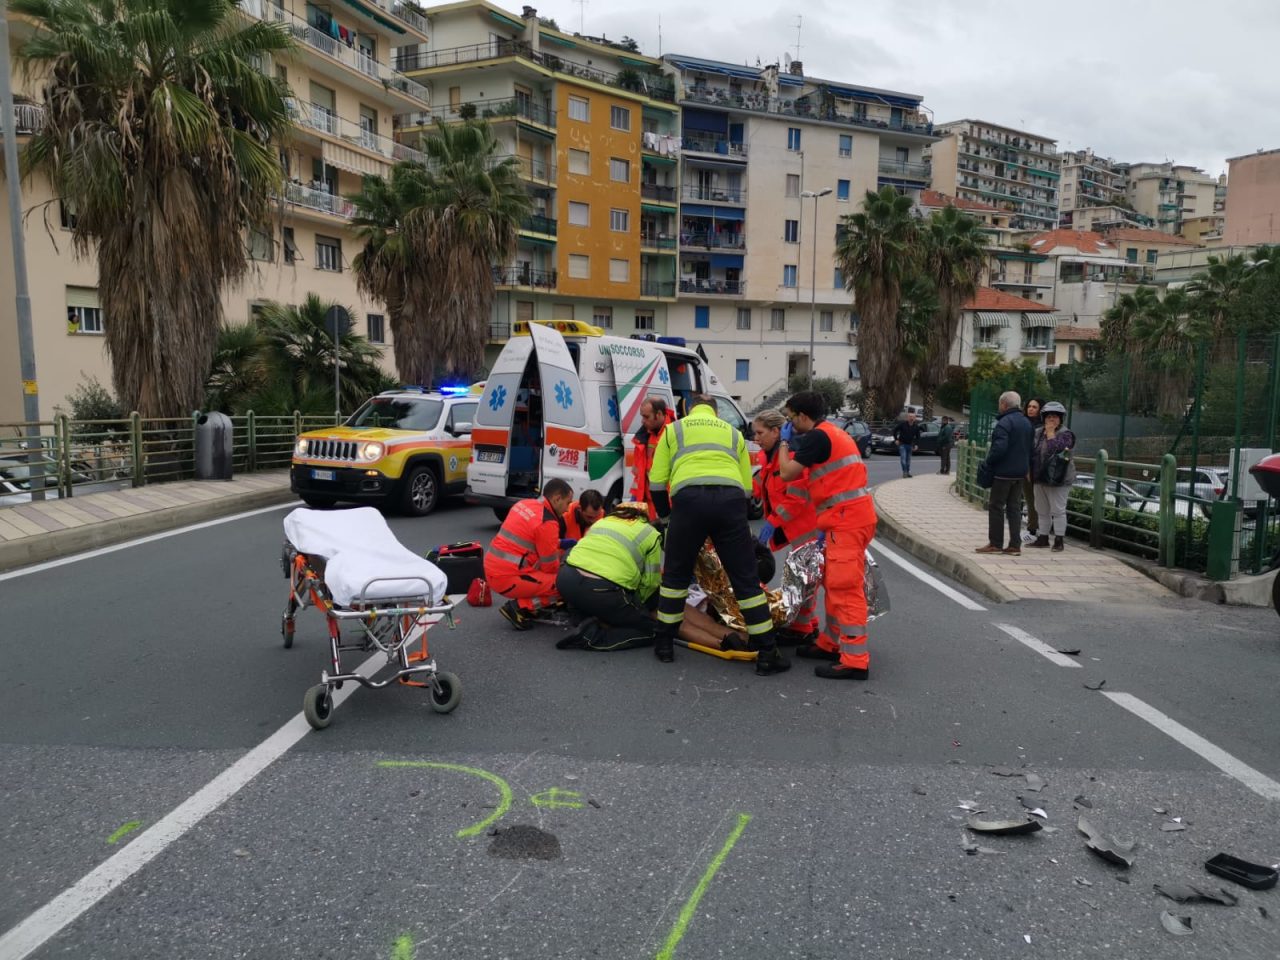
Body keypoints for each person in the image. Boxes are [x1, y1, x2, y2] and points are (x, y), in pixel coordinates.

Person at [648, 394, 789, 675]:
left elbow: (655, 483)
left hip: (688, 504)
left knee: (675, 578)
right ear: (715, 412)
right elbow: (747, 489)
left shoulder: (674, 430)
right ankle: (766, 653)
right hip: (729, 504)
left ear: (688, 409)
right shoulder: (734, 434)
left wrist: (667, 520)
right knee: (746, 581)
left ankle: (664, 644)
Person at [778, 390, 878, 681]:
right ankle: (831, 644)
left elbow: (787, 473)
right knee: (835, 585)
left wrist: (784, 442)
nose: (790, 424)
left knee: (845, 590)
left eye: (791, 418)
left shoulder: (818, 438)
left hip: (845, 520)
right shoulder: (830, 435)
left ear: (803, 417)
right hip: (845, 518)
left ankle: (855, 660)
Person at [752, 408, 820, 645]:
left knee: (803, 577)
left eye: (760, 433)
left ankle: (802, 629)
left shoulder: (792, 457)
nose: (756, 438)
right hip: (795, 527)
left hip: (806, 527)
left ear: (776, 432)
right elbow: (760, 484)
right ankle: (808, 626)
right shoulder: (769, 458)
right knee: (803, 576)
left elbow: (796, 498)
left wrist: (772, 520)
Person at [555, 503, 664, 650]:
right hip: (602, 590)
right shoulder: (650, 533)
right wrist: (637, 607)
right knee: (653, 631)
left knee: (581, 575)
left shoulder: (603, 522)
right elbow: (651, 582)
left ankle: (579, 615)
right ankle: (592, 638)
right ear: (645, 517)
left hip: (565, 580)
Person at [485, 478, 574, 630]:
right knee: (564, 584)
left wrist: (559, 543)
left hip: (493, 568)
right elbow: (550, 567)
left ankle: (530, 603)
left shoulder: (524, 504)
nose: (567, 509)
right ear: (557, 498)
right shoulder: (548, 522)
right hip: (508, 578)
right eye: (567, 503)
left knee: (543, 575)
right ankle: (519, 607)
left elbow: (528, 539)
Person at [976, 391, 1033, 556]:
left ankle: (995, 543)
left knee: (996, 506)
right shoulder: (1026, 423)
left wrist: (989, 462)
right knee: (1014, 508)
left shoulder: (1004, 423)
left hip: (1003, 473)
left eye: (999, 404)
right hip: (1020, 473)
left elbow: (999, 448)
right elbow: (1030, 448)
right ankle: (1015, 544)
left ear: (1004, 404)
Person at [1030, 401, 1076, 552]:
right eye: (1049, 416)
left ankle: (1059, 540)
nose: (1052, 419)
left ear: (1061, 419)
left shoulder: (1066, 434)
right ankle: (1043, 537)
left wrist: (1050, 433)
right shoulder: (1037, 433)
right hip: (1039, 477)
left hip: (1059, 479)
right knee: (1041, 509)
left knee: (1057, 510)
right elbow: (1032, 452)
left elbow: (1056, 450)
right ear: (1043, 417)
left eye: (1055, 417)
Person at [630, 396, 674, 518]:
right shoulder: (643, 436)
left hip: (666, 503)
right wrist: (635, 499)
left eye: (646, 417)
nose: (642, 421)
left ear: (659, 414)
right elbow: (639, 472)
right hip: (646, 503)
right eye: (642, 416)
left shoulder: (673, 434)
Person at [1022, 397, 1044, 539]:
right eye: (1029, 406)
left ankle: (1040, 528)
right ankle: (1032, 529)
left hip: (1038, 467)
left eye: (1034, 407)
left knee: (1040, 500)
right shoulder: (1024, 423)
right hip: (1024, 466)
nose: (1030, 409)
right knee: (1029, 499)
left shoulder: (1042, 427)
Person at [893, 411, 923, 479]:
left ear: (915, 418)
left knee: (908, 460)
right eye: (910, 417)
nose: (911, 418)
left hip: (910, 445)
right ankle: (905, 472)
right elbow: (895, 430)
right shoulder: (902, 424)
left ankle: (907, 472)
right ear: (907, 418)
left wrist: (916, 445)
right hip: (902, 444)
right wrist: (896, 439)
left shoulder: (916, 426)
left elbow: (918, 437)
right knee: (903, 459)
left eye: (913, 417)